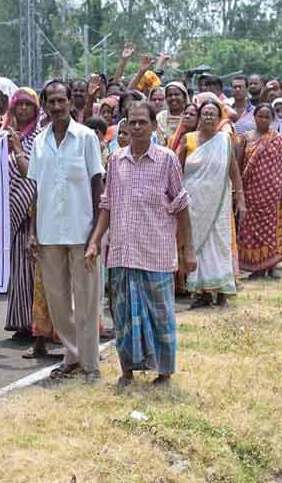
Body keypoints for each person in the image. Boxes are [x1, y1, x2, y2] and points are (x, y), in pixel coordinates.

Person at [85, 101, 195, 387]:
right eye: (131, 122)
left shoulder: (167, 159)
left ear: (153, 126)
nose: (136, 127)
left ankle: (164, 372)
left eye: (142, 122)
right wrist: (95, 242)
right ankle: (128, 371)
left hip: (156, 251)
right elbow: (106, 206)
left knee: (160, 316)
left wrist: (190, 250)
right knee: (123, 316)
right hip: (122, 252)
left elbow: (181, 204)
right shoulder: (115, 160)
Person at [28, 80, 105, 381]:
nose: (57, 107)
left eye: (62, 101)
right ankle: (73, 356)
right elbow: (35, 188)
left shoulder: (86, 137)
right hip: (48, 233)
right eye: (52, 102)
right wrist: (32, 231)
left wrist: (96, 236)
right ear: (45, 106)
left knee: (86, 301)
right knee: (58, 304)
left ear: (70, 104)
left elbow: (98, 186)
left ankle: (91, 365)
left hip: (82, 232)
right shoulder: (38, 141)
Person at [177, 100, 246, 309]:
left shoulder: (225, 141)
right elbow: (176, 171)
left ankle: (222, 291)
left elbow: (233, 170)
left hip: (219, 202)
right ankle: (201, 292)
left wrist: (240, 197)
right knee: (197, 244)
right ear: (199, 117)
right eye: (204, 113)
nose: (208, 117)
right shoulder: (187, 140)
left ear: (219, 118)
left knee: (219, 242)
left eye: (212, 114)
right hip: (193, 203)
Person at [235, 104, 282, 277]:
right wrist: (238, 192)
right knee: (251, 230)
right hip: (251, 193)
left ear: (272, 119)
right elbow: (238, 165)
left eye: (267, 117)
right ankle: (257, 268)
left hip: (272, 194)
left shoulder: (277, 138)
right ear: (254, 117)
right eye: (260, 116)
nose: (263, 120)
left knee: (272, 229)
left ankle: (272, 266)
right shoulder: (245, 138)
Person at [1, 88, 42, 339]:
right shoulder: (3, 135)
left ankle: (39, 324)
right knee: (18, 270)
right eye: (20, 105)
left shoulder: (40, 136)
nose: (24, 109)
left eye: (28, 105)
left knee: (36, 270)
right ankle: (21, 323)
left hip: (34, 211)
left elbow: (35, 174)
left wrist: (17, 148)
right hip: (13, 210)